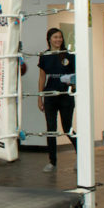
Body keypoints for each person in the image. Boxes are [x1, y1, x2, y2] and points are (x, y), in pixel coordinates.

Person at [37, 28, 78, 172]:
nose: (58, 39)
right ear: (49, 39)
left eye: (60, 37)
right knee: (51, 130)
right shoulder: (44, 55)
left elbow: (77, 74)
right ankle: (52, 162)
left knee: (67, 128)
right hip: (50, 95)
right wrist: (39, 98)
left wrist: (71, 82)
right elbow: (42, 77)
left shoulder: (69, 54)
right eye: (55, 37)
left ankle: (81, 156)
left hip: (65, 95)